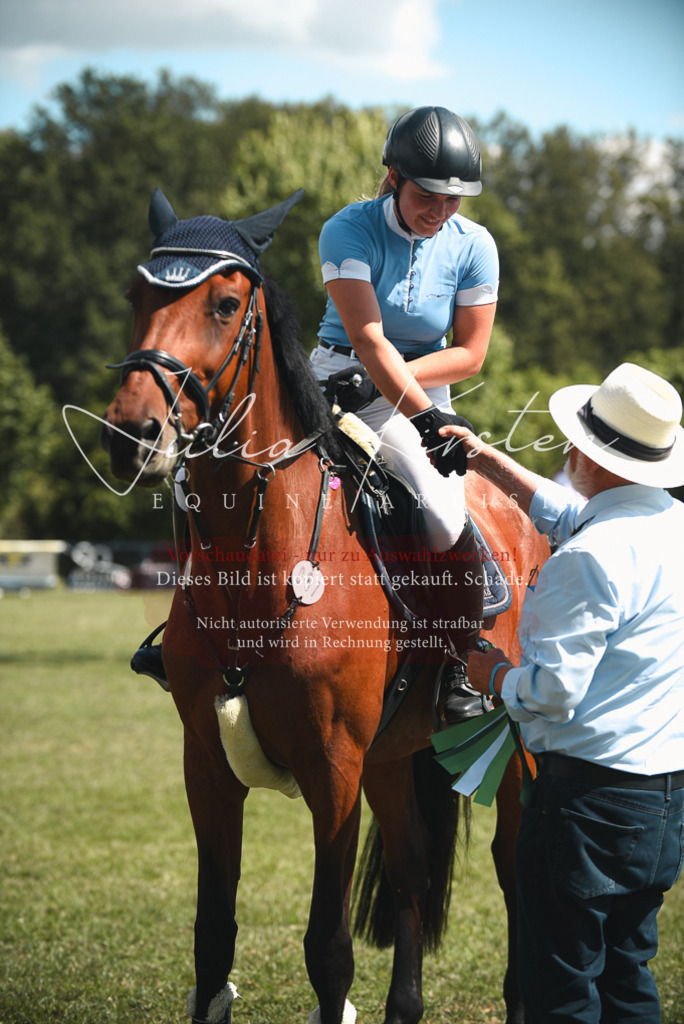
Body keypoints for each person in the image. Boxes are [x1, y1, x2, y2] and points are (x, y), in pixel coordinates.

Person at [437, 361, 684, 1023]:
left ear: (590, 454)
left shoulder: (590, 557)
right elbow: (570, 513)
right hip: (661, 800)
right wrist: (488, 460)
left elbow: (550, 695)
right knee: (628, 978)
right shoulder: (669, 527)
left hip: (584, 807)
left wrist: (492, 675)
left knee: (561, 993)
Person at [309, 105, 500, 721]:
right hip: (334, 374)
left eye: (455, 199)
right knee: (224, 466)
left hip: (419, 384)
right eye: (429, 195)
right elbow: (367, 341)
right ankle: (187, 634)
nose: (442, 211)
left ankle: (459, 663)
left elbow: (470, 355)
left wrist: (409, 401)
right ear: (393, 176)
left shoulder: (475, 246)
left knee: (443, 509)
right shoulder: (348, 228)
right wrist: (410, 410)